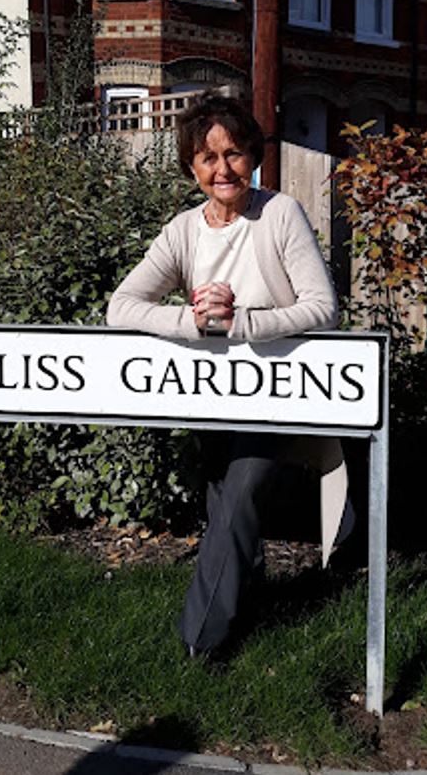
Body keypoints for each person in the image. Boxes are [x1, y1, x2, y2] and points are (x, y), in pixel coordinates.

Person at [106, 90, 352, 658]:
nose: (223, 169)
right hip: (211, 394)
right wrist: (193, 322)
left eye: (234, 153)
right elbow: (122, 307)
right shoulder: (184, 230)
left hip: (279, 390)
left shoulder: (278, 214)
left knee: (240, 493)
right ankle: (249, 598)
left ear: (254, 156)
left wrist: (241, 322)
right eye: (208, 158)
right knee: (224, 502)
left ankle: (201, 643)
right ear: (192, 168)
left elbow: (322, 308)